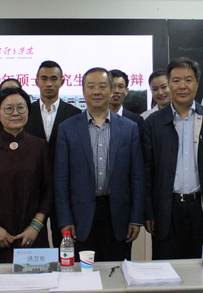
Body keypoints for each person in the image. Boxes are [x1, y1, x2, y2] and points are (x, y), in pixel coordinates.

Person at [143, 57, 203, 259]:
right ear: (169, 84)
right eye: (176, 80)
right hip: (167, 210)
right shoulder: (153, 123)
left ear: (197, 83)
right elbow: (147, 172)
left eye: (188, 80)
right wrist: (149, 212)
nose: (182, 86)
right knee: (168, 269)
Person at [54, 68, 144, 261]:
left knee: (117, 271)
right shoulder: (67, 128)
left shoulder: (129, 128)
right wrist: (65, 219)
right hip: (80, 217)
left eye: (102, 86)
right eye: (91, 86)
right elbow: (61, 179)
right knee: (83, 273)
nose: (96, 91)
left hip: (118, 215)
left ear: (111, 90)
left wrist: (136, 218)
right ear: (83, 90)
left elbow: (137, 177)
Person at [0, 87, 53, 263]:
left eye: (21, 108)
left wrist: (35, 226)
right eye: (8, 108)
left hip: (31, 234)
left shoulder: (40, 146)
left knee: (35, 280)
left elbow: (49, 190)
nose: (15, 113)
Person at [24, 60, 81, 247]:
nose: (49, 83)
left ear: (62, 81)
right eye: (44, 78)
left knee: (64, 243)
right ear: (36, 81)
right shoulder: (25, 113)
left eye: (54, 79)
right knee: (32, 243)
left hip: (65, 188)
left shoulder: (75, 114)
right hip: (33, 187)